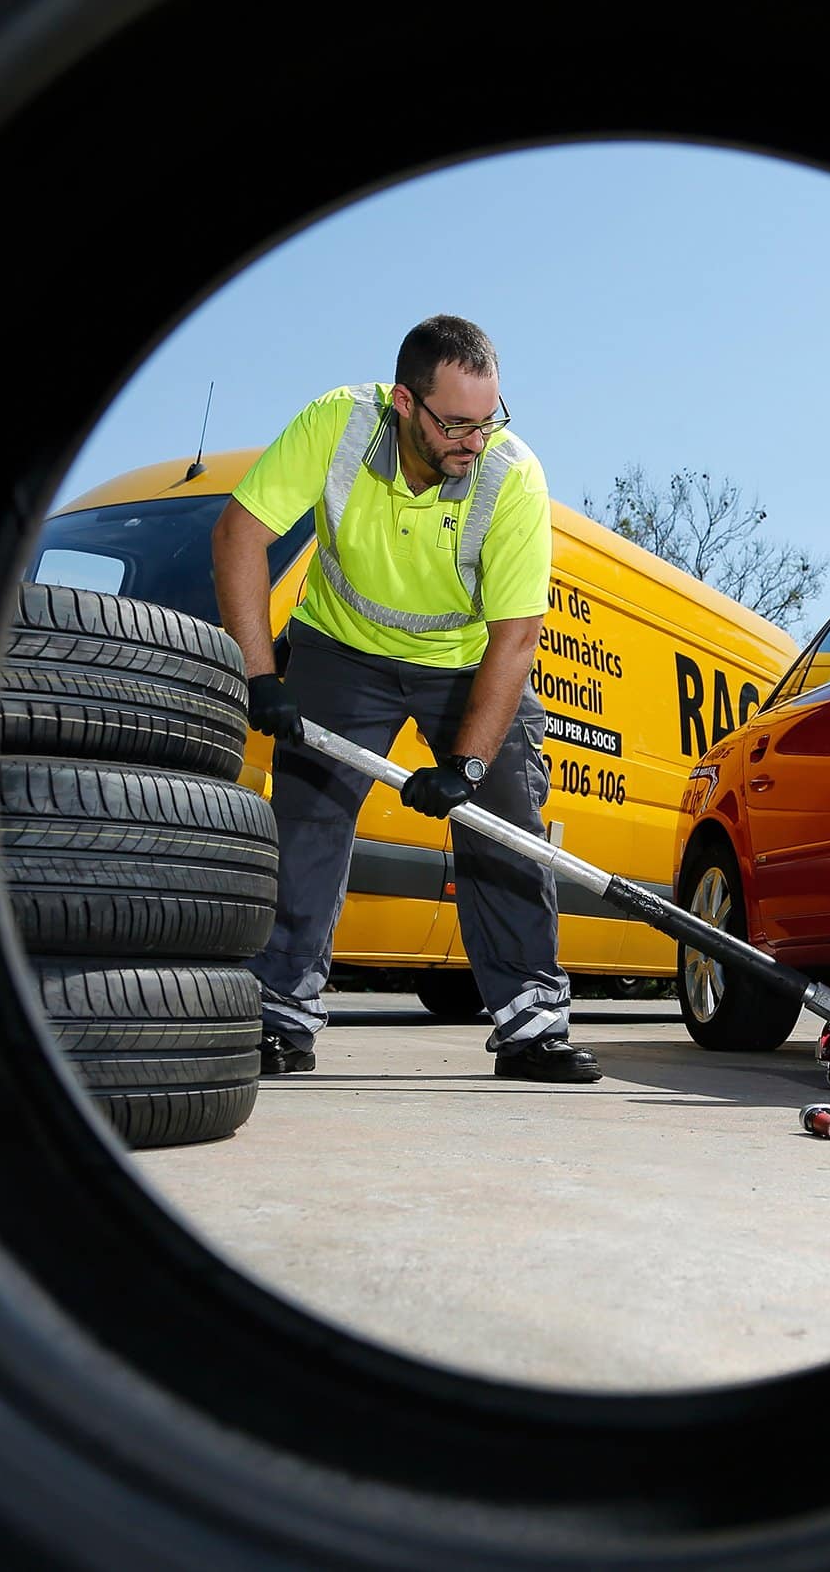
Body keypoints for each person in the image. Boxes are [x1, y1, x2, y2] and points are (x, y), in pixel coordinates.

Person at [210, 315, 600, 1084]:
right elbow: (239, 535)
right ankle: (281, 1014)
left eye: (488, 421)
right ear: (403, 403)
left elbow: (516, 637)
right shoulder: (338, 425)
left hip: (466, 661)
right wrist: (261, 676)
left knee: (505, 823)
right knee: (309, 819)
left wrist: (470, 766)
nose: (473, 441)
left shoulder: (512, 475)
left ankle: (531, 1025)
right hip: (341, 648)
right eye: (455, 423)